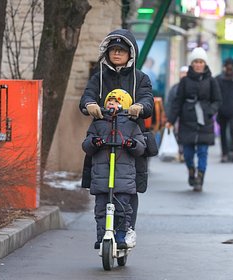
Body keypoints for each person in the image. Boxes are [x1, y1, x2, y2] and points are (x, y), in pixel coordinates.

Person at [79, 29, 154, 248]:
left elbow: (147, 100)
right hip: (103, 137)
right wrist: (89, 105)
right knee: (102, 187)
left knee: (129, 188)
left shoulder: (140, 78)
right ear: (107, 53)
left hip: (130, 137)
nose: (117, 54)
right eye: (113, 50)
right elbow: (87, 96)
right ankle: (103, 231)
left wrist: (140, 107)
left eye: (122, 50)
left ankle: (127, 229)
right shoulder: (99, 76)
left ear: (131, 53)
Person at [82, 89, 146, 250]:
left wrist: (132, 144)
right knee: (101, 209)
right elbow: (87, 145)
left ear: (124, 105)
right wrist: (94, 142)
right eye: (110, 101)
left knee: (123, 208)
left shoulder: (131, 126)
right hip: (102, 176)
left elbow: (140, 147)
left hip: (123, 177)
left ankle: (120, 235)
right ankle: (101, 235)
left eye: (117, 101)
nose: (112, 104)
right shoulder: (98, 124)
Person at [166, 47, 222, 192]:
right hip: (187, 120)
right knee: (188, 152)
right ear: (192, 64)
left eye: (201, 62)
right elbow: (177, 102)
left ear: (205, 63)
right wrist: (171, 120)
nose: (198, 64)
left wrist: (210, 111)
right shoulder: (185, 82)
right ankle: (191, 170)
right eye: (196, 62)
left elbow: (217, 100)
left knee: (203, 152)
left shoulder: (211, 81)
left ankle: (200, 178)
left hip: (204, 121)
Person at [165, 65, 189, 162]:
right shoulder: (175, 88)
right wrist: (169, 117)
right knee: (176, 134)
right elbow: (170, 103)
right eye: (182, 73)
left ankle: (184, 153)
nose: (184, 75)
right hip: (176, 116)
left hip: (186, 117)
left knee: (185, 135)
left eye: (185, 73)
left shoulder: (191, 87)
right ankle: (179, 152)